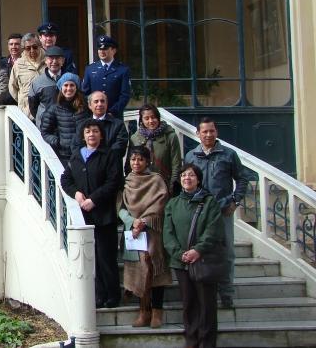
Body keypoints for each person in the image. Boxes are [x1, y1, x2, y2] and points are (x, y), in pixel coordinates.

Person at [184, 117, 249, 309]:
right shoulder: (191, 156)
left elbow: (242, 179)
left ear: (216, 132)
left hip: (222, 210)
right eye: (204, 131)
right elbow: (185, 182)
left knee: (226, 252)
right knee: (199, 251)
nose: (208, 134)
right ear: (198, 133)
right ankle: (202, 293)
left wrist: (236, 201)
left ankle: (226, 294)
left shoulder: (228, 154)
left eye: (211, 131)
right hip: (198, 211)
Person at [60, 119, 123, 308]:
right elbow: (66, 179)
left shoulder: (109, 155)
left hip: (104, 215)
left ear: (101, 135)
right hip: (83, 216)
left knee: (106, 257)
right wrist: (76, 194)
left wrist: (94, 199)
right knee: (90, 258)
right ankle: (97, 295)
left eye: (95, 131)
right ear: (83, 135)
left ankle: (112, 295)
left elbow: (114, 181)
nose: (91, 134)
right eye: (87, 131)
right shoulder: (76, 156)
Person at [164, 164, 225, 348]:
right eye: (183, 175)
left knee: (206, 305)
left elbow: (213, 230)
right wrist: (179, 253)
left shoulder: (209, 202)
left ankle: (207, 343)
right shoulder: (173, 203)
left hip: (203, 260)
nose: (187, 178)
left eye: (191, 175)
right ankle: (191, 340)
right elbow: (168, 233)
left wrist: (198, 250)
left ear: (198, 179)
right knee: (189, 303)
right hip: (181, 262)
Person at [119, 146, 172, 329]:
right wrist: (133, 222)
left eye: (140, 159)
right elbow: (121, 207)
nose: (136, 163)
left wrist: (143, 221)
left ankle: (157, 311)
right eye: (133, 159)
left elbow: (160, 203)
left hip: (152, 232)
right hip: (133, 234)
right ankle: (144, 311)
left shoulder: (156, 180)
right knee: (138, 271)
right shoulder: (126, 181)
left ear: (147, 161)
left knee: (155, 269)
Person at [128, 104, 182, 194]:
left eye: (153, 117)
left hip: (164, 186)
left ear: (158, 118)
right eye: (146, 118)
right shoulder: (135, 138)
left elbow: (176, 164)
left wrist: (172, 187)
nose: (151, 121)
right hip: (141, 187)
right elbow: (130, 164)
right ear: (141, 120)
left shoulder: (170, 136)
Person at [39, 73, 90, 165]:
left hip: (85, 153)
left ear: (76, 87)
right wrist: (58, 142)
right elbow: (45, 132)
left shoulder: (85, 107)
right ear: (61, 88)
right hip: (64, 156)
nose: (69, 88)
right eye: (65, 85)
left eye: (72, 85)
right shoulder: (54, 109)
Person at [81, 35, 131, 119]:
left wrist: (113, 112)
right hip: (94, 116)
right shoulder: (90, 69)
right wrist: (93, 109)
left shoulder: (122, 70)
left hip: (114, 116)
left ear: (113, 50)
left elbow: (125, 95)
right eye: (100, 49)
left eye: (105, 49)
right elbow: (85, 93)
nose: (102, 52)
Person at [77, 91, 129, 160]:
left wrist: (100, 159)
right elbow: (76, 146)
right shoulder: (82, 125)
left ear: (106, 104)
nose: (100, 104)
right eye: (96, 101)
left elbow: (120, 148)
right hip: (88, 165)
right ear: (89, 105)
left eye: (102, 101)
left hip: (111, 167)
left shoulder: (118, 125)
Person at [8, 33, 43, 117]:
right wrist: (22, 101)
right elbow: (12, 87)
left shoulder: (48, 61)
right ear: (23, 49)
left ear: (40, 46)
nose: (32, 50)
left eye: (35, 47)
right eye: (28, 48)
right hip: (26, 113)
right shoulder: (18, 64)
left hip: (45, 113)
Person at [28, 45, 65, 124]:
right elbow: (33, 107)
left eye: (57, 58)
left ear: (63, 61)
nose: (54, 61)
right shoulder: (37, 82)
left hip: (65, 125)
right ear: (45, 60)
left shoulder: (69, 80)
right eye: (51, 58)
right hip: (45, 126)